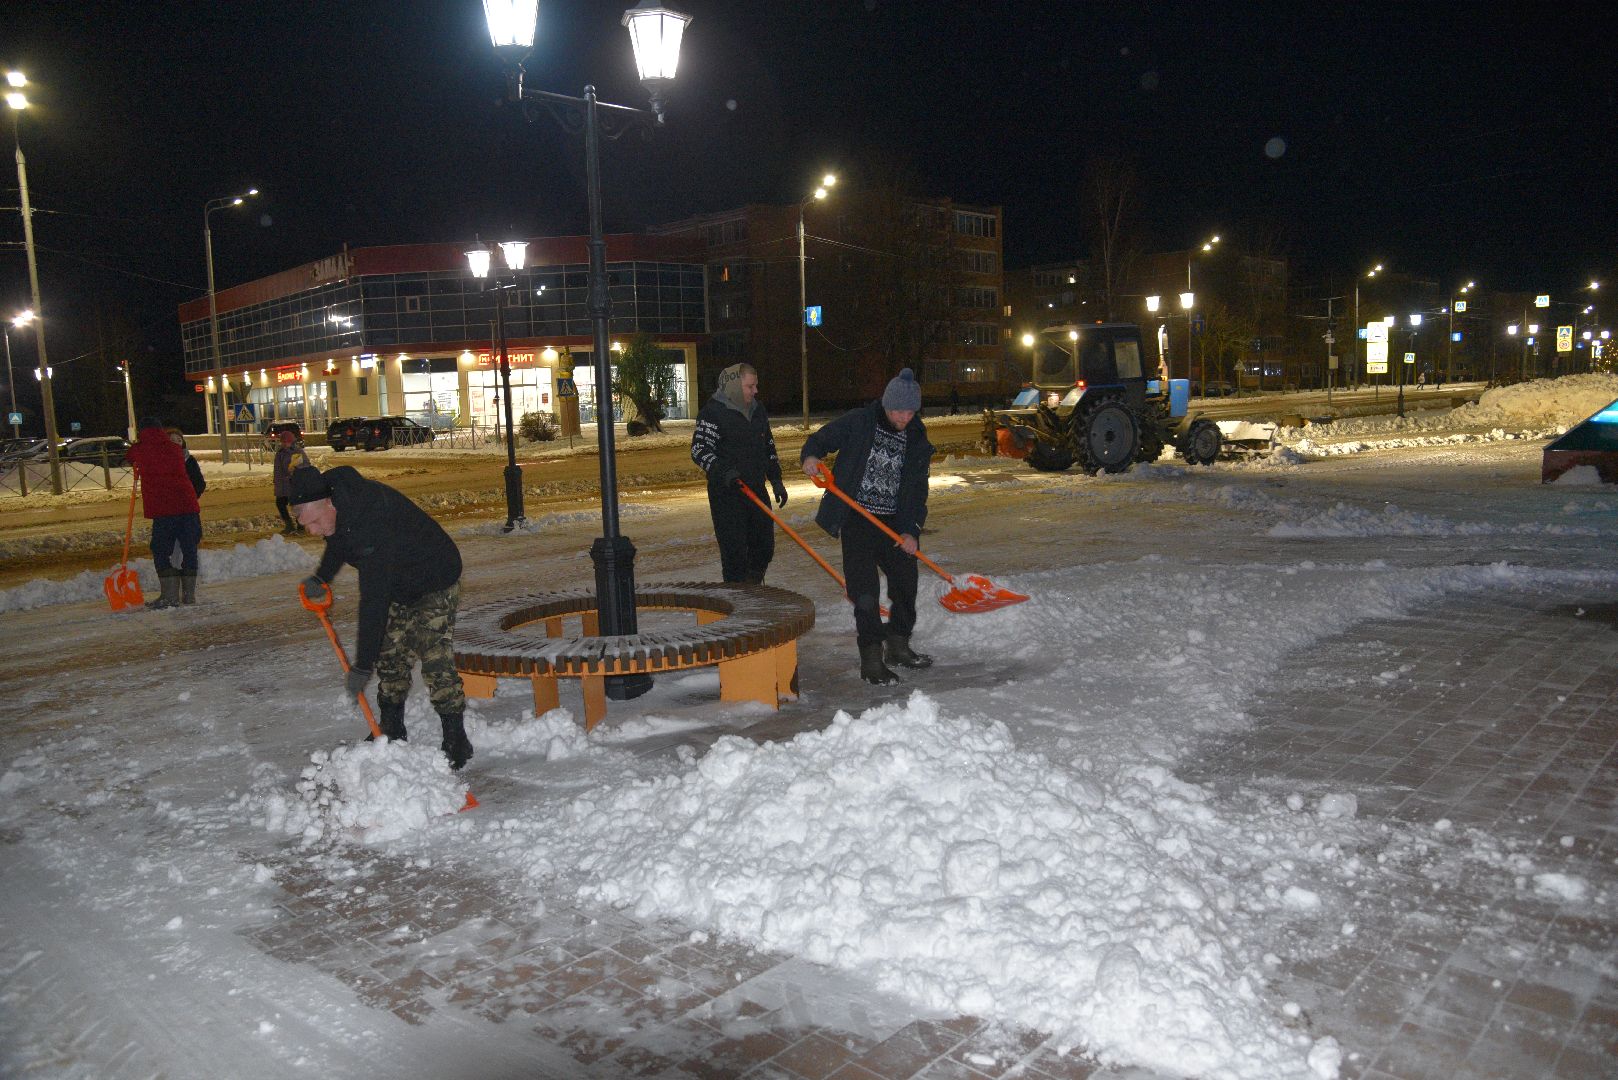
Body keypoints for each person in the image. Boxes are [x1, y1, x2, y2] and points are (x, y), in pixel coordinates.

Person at [287, 464, 472, 769]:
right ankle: (392, 729)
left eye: (316, 522)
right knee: (392, 656)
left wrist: (362, 665)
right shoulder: (338, 510)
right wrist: (322, 578)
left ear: (329, 504)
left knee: (433, 655)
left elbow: (373, 601)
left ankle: (456, 739)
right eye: (307, 526)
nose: (313, 531)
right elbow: (338, 544)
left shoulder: (370, 519)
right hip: (401, 581)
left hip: (435, 576)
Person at [801, 367, 935, 685]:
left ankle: (898, 645)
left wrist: (911, 530)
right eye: (899, 411)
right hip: (857, 519)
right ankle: (872, 657)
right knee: (865, 593)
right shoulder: (860, 421)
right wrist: (811, 457)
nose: (904, 418)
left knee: (906, 582)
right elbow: (821, 439)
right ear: (887, 404)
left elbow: (917, 488)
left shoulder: (916, 435)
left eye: (911, 411)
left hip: (893, 522)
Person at [690, 362, 788, 584]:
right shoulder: (713, 413)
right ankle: (738, 597)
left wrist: (776, 479)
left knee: (764, 547)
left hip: (755, 488)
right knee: (735, 553)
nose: (755, 391)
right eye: (750, 386)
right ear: (734, 386)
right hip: (727, 494)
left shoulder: (757, 410)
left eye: (755, 386)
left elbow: (768, 447)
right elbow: (699, 450)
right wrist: (724, 471)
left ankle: (752, 586)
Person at [127, 417, 202, 609]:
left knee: (160, 550)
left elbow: (129, 456)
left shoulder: (141, 449)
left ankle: (169, 596)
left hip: (164, 509)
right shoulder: (174, 448)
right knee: (189, 549)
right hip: (188, 506)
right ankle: (188, 595)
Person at [272, 426, 311, 534]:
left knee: (297, 506)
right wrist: (277, 484)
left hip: (295, 484)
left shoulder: (298, 452)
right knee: (280, 503)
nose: (284, 444)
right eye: (283, 442)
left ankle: (301, 526)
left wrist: (296, 470)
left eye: (287, 442)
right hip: (283, 485)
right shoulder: (280, 454)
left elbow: (307, 465)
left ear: (291, 441)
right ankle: (289, 525)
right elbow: (277, 470)